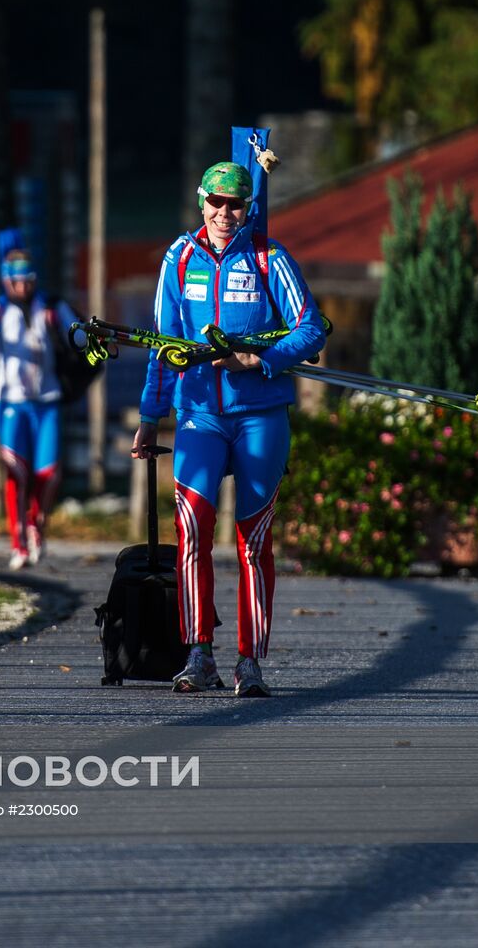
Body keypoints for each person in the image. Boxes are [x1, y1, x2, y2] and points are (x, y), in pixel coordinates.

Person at [131, 161, 326, 697]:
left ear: (248, 208)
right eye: (215, 202)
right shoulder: (181, 257)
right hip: (199, 417)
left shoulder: (269, 257)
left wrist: (258, 360)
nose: (224, 212)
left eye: (235, 204)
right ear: (201, 202)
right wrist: (151, 417)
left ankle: (250, 663)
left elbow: (311, 328)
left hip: (261, 417)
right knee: (192, 530)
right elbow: (161, 344)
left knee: (252, 542)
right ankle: (198, 655)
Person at [0, 229, 78, 571]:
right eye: (17, 281)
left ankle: (36, 522)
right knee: (16, 472)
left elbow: (82, 339)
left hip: (46, 402)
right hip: (8, 404)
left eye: (29, 279)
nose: (24, 286)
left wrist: (71, 334)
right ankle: (17, 542)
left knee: (49, 473)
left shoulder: (51, 307)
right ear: (6, 281)